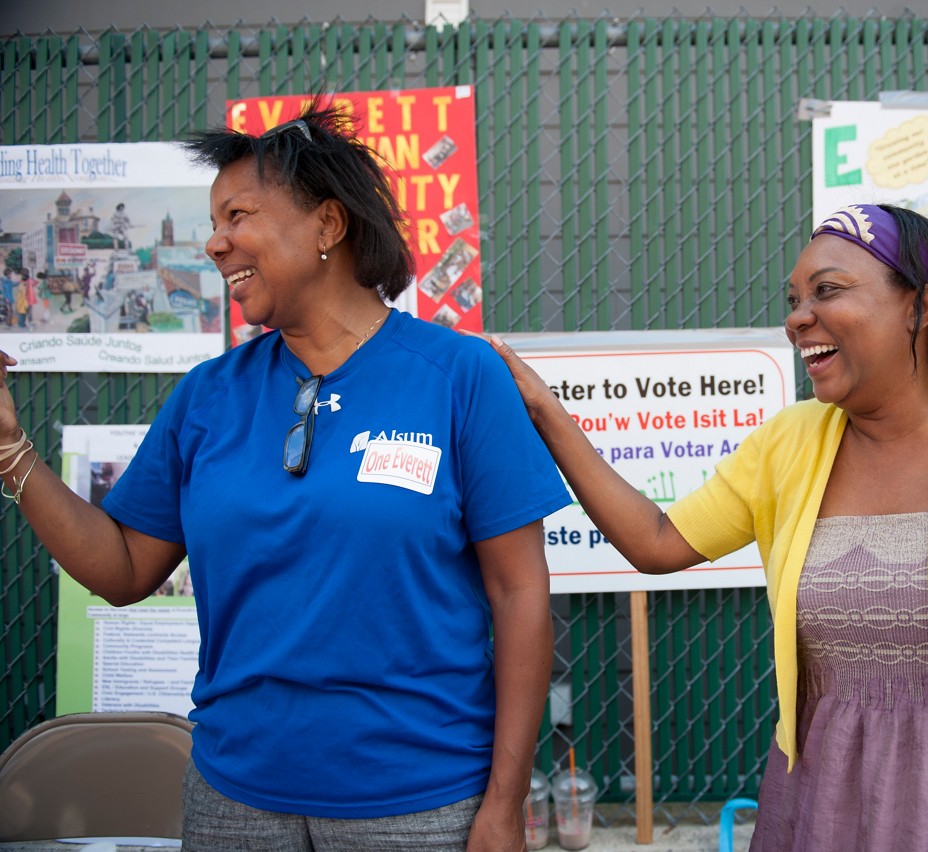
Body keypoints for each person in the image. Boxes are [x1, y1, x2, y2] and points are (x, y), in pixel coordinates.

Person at [478, 203, 928, 851]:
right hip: (834, 802)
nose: (798, 317)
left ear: (919, 306)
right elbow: (657, 542)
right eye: (794, 299)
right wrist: (545, 411)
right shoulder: (790, 443)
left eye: (827, 291)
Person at [0, 102, 570, 851]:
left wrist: (503, 805)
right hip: (234, 798)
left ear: (328, 226)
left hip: (417, 804)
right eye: (212, 220)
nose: (213, 242)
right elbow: (125, 568)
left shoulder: (460, 377)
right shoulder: (208, 396)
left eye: (238, 214)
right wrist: (11, 450)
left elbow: (519, 592)